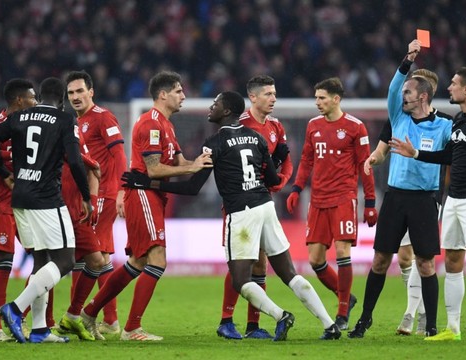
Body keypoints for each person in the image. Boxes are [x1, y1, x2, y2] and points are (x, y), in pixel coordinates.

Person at [121, 91, 341, 341]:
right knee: (289, 272)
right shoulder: (256, 138)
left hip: (241, 214)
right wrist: (276, 159)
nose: (210, 107)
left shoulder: (213, 144)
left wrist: (147, 184)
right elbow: (271, 180)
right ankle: (329, 323)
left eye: (216, 104)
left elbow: (192, 188)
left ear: (226, 111)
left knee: (240, 280)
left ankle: (280, 315)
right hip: (266, 207)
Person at [78, 71, 213, 341]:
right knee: (157, 259)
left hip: (151, 197)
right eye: (178, 91)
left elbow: (177, 163)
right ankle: (131, 328)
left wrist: (199, 162)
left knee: (137, 262)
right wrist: (193, 166)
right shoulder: (150, 123)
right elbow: (152, 170)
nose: (183, 96)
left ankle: (89, 313)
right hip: (143, 195)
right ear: (163, 94)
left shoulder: (166, 125)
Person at [389, 66, 466, 342]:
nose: (449, 88)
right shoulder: (458, 121)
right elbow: (449, 157)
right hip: (453, 199)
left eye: (454, 84)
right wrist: (417, 153)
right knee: (453, 261)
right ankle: (452, 329)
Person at [347, 39, 452, 339]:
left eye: (408, 92)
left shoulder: (444, 126)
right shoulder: (398, 118)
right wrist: (407, 61)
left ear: (423, 96)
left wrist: (418, 155)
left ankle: (430, 325)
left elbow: (452, 157)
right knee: (381, 260)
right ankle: (364, 320)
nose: (401, 95)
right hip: (395, 197)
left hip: (423, 200)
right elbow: (392, 90)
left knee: (426, 263)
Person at [0, 77, 92, 344]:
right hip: (47, 199)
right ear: (62, 99)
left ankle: (40, 329)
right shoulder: (66, 120)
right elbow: (75, 161)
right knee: (65, 261)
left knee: (41, 261)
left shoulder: (21, 116)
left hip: (19, 198)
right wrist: (86, 196)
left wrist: (5, 173)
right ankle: (16, 308)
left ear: (40, 96)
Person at [286, 77, 376, 331]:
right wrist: (296, 188)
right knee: (315, 260)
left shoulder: (355, 127)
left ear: (336, 99)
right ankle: (347, 296)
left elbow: (365, 165)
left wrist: (370, 201)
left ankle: (343, 312)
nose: (317, 102)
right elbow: (306, 159)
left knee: (343, 252)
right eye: (316, 98)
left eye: (322, 98)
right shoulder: (313, 126)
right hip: (318, 200)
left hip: (343, 198)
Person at [217, 75, 293, 340]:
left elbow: (286, 159)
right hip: (240, 204)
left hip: (262, 201)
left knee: (260, 265)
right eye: (268, 94)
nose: (273, 98)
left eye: (274, 93)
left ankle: (252, 325)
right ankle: (226, 320)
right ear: (253, 97)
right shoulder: (239, 125)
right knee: (242, 263)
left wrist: (281, 182)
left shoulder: (275, 126)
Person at [61, 70, 127, 336]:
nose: (76, 97)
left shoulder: (102, 117)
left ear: (91, 92)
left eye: (80, 91)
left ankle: (78, 314)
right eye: (71, 93)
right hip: (85, 197)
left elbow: (120, 155)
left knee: (89, 256)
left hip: (103, 195)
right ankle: (108, 320)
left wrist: (122, 190)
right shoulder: (74, 123)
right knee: (99, 258)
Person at [0, 78, 37, 342]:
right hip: (0, 201)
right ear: (19, 100)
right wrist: (12, 161)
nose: (36, 102)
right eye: (32, 97)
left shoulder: (32, 124)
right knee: (4, 263)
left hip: (27, 202)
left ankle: (19, 314)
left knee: (44, 261)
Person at [57, 113, 104, 341]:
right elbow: (79, 159)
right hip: (56, 208)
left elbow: (91, 170)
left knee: (96, 260)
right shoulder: (58, 130)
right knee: (49, 266)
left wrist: (91, 202)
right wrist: (92, 162)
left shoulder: (77, 135)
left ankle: (73, 314)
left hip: (78, 210)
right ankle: (21, 315)